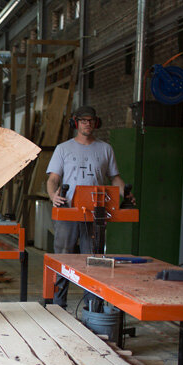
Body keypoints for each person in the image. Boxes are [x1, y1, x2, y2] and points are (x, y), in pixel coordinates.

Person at [46, 105, 134, 310]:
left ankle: (91, 306)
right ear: (75, 123)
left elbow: (115, 178)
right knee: (63, 256)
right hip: (68, 210)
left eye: (91, 120)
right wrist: (53, 195)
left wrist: (125, 193)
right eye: (83, 120)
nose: (87, 124)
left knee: (92, 258)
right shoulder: (63, 149)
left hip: (95, 212)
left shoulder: (105, 149)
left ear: (96, 123)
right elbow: (54, 178)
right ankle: (58, 305)